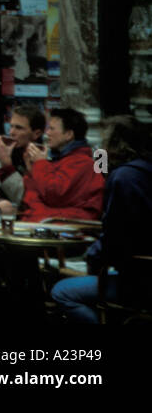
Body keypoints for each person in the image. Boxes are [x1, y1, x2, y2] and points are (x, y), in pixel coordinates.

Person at [50, 116, 152, 323]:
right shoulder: (138, 170)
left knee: (61, 291)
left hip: (138, 279)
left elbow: (116, 235)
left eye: (103, 142)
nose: (99, 147)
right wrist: (102, 160)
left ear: (114, 144)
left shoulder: (123, 177)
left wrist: (92, 259)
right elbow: (101, 178)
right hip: (141, 269)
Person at [4, 107, 104, 222]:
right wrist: (32, 171)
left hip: (61, 227)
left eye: (52, 129)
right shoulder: (59, 160)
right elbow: (30, 197)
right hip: (43, 222)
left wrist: (40, 163)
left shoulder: (83, 163)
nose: (47, 134)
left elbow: (53, 195)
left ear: (68, 134)